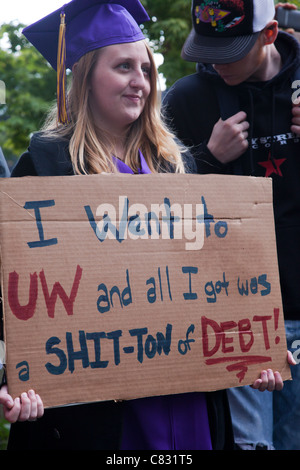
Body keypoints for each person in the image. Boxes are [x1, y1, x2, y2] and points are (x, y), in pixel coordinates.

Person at [0, 0, 290, 451]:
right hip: (101, 414)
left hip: (189, 398)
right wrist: (14, 374)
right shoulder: (44, 171)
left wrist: (254, 348)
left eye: (146, 69)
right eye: (123, 67)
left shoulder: (179, 168)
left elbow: (218, 280)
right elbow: (17, 292)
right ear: (84, 76)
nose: (141, 82)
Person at [163, 0, 300, 451]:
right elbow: (155, 210)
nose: (217, 63)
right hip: (231, 316)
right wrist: (204, 159)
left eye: (232, 51)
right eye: (209, 48)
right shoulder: (185, 99)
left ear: (269, 33)